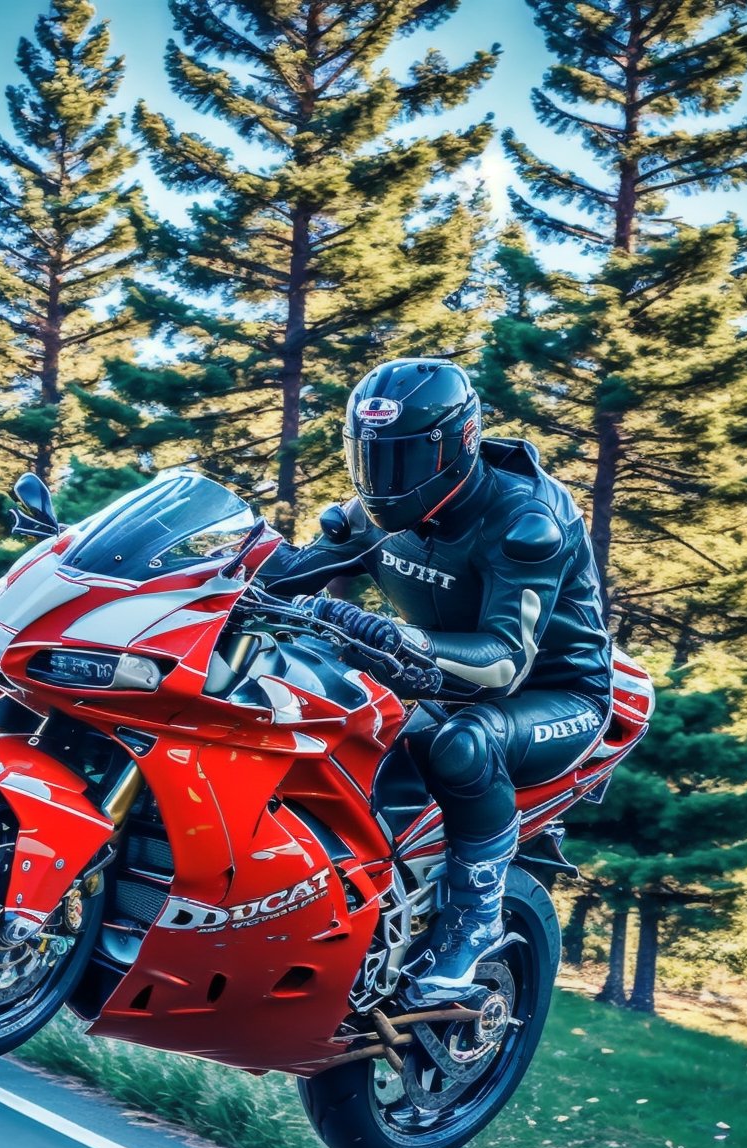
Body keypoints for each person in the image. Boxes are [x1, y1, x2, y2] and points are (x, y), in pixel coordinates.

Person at [256, 358, 615, 1002]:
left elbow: (506, 661)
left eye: (401, 461)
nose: (383, 481)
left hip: (554, 696)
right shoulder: (370, 517)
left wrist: (400, 638)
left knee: (465, 744)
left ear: (458, 445)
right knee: (304, 704)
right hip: (432, 680)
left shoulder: (527, 522)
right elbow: (275, 579)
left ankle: (472, 922)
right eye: (371, 459)